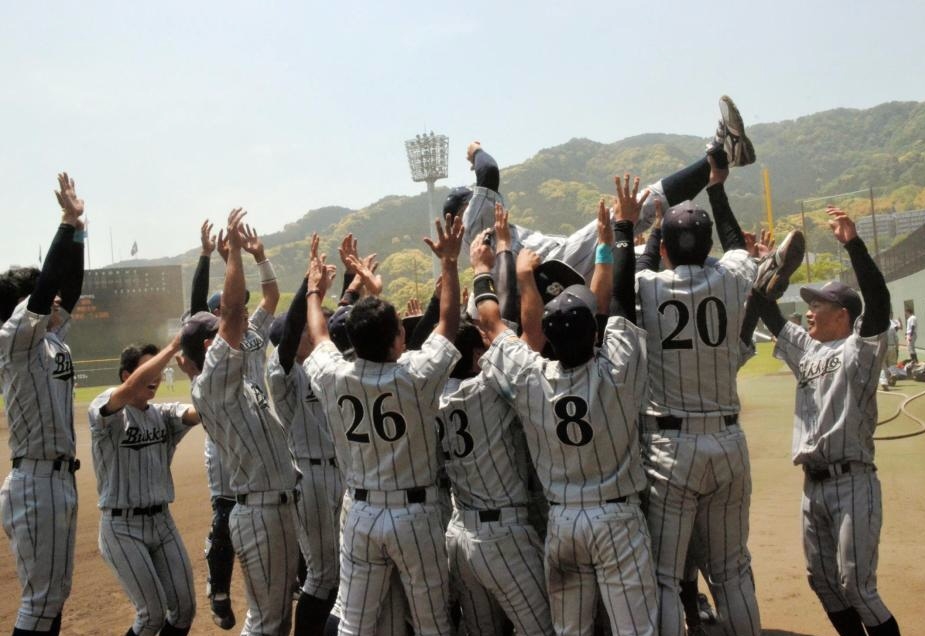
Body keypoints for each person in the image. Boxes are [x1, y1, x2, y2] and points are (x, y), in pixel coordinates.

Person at [475, 178, 658, 635]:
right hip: (616, 517)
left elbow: (494, 324)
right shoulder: (616, 368)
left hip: (562, 522)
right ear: (595, 334)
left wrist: (496, 266)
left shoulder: (531, 376)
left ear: (549, 342)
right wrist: (617, 235)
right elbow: (617, 300)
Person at [305, 213, 464, 636]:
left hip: (359, 512)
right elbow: (448, 324)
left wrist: (313, 293)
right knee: (432, 622)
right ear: (398, 337)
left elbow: (319, 337)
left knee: (355, 624)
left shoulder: (336, 375)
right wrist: (449, 264)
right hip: (414, 515)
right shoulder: (413, 376)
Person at [748, 207, 902, 636]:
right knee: (824, 584)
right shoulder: (807, 352)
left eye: (819, 305)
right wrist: (768, 265)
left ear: (844, 316)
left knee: (857, 587)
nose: (810, 310)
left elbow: (880, 302)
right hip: (812, 487)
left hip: (852, 482)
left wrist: (853, 245)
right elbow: (767, 309)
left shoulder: (860, 350)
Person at [635, 155, 765, 636]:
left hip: (672, 448)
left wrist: (651, 230)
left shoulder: (647, 286)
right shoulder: (731, 279)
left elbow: (645, 263)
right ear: (707, 247)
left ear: (666, 248)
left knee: (667, 577)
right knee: (731, 570)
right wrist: (717, 189)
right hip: (729, 441)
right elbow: (737, 245)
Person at [452, 95, 756, 282]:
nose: (486, 202)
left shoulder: (489, 239)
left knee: (660, 249)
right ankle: (723, 153)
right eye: (474, 198)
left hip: (559, 274)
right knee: (637, 208)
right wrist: (474, 151)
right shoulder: (472, 226)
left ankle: (758, 267)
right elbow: (488, 171)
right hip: (562, 265)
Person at [179, 208, 300, 636]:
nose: (235, 315)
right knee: (266, 620)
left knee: (276, 616)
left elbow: (265, 298)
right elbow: (226, 310)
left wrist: (257, 257)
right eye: (224, 318)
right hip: (248, 483)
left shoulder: (248, 334)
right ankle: (217, 584)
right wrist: (224, 254)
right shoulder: (212, 374)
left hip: (261, 463)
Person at [440, 207, 553, 636]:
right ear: (475, 356)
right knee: (542, 629)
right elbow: (529, 336)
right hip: (502, 535)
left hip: (461, 534)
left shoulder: (435, 393)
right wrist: (501, 264)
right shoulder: (486, 388)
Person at [0, 173, 85, 636]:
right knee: (40, 602)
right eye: (40, 295)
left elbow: (68, 286)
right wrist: (63, 222)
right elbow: (49, 285)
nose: (54, 300)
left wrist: (79, 229)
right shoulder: (15, 339)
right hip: (34, 480)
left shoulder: (49, 340)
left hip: (56, 480)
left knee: (54, 598)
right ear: (20, 304)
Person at [88, 337, 201, 636]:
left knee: (184, 611)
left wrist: (195, 374)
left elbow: (200, 411)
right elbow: (120, 397)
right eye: (148, 369)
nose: (157, 376)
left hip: (163, 523)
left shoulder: (161, 415)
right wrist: (172, 347)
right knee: (150, 616)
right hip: (122, 528)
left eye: (159, 370)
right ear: (127, 375)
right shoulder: (105, 408)